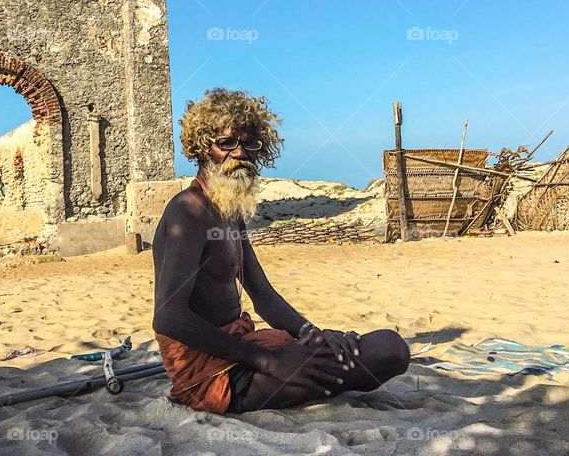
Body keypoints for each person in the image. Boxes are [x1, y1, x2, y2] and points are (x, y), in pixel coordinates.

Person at [152, 88, 410, 414]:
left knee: (390, 349)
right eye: (227, 143)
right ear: (203, 147)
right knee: (379, 354)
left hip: (243, 349)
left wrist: (312, 334)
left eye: (249, 144)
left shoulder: (229, 211)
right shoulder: (187, 211)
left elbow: (261, 293)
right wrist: (268, 361)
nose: (240, 153)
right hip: (209, 373)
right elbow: (168, 317)